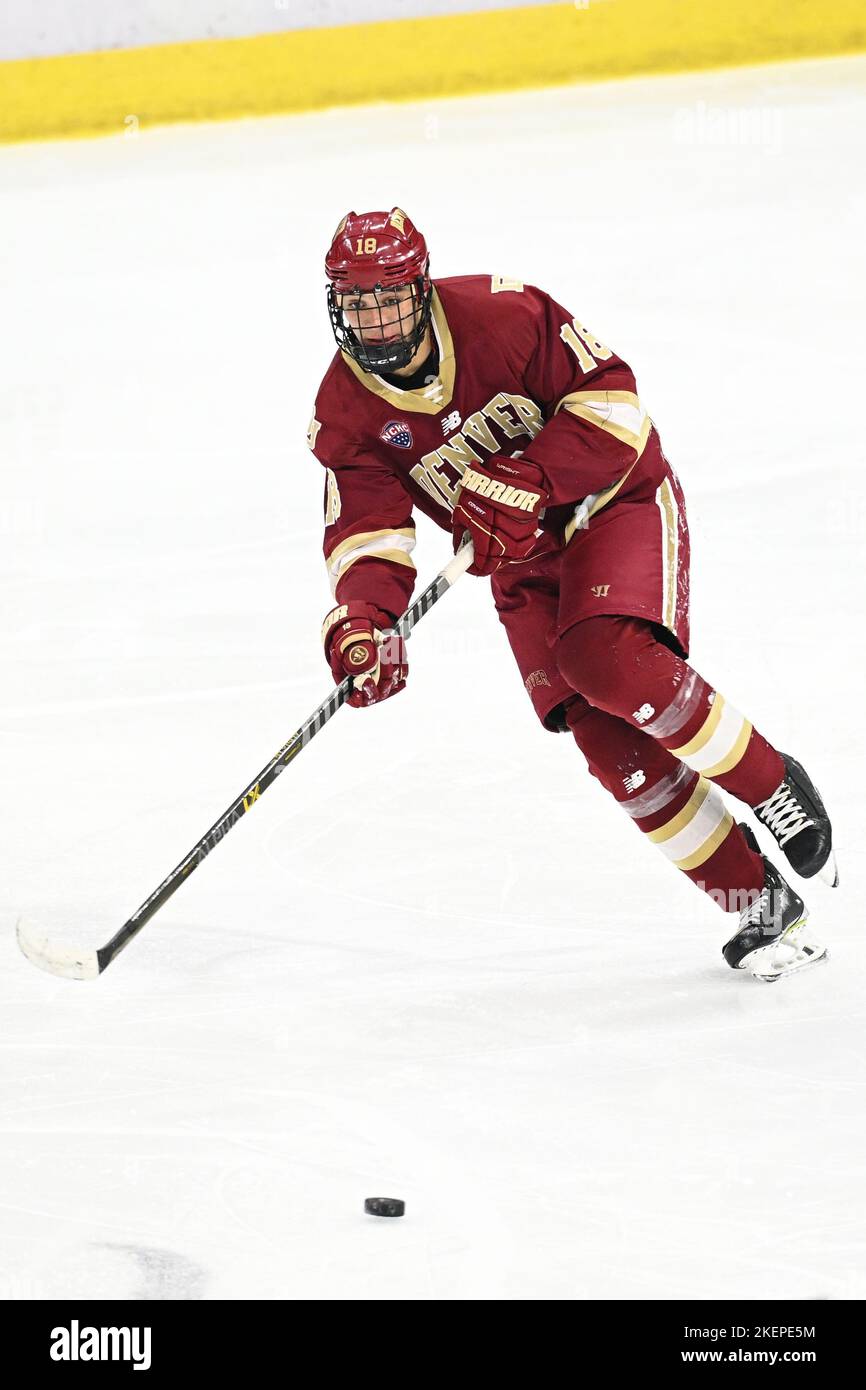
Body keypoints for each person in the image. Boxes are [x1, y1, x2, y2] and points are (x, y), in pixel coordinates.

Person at [307, 207, 836, 981]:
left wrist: (532, 479)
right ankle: (754, 899)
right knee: (602, 738)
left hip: (610, 502)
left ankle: (769, 782)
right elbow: (369, 534)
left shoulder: (503, 313)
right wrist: (364, 622)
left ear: (420, 290)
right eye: (357, 305)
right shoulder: (346, 414)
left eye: (387, 300)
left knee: (607, 661)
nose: (375, 322)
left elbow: (614, 401)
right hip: (518, 561)